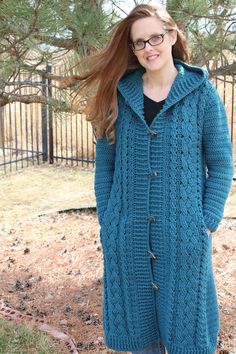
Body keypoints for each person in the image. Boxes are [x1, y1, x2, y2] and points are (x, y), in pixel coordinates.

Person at [67, 3, 234, 354]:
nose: (149, 48)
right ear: (132, 49)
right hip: (129, 239)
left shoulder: (201, 95)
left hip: (185, 239)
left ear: (171, 36)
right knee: (143, 342)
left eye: (155, 37)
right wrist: (109, 220)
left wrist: (205, 222)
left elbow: (221, 164)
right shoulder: (120, 94)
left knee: (189, 335)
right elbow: (105, 166)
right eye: (139, 43)